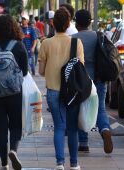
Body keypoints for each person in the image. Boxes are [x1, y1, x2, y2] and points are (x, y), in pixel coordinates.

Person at [38, 8, 84, 170]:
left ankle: (59, 163)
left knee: (59, 127)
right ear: (68, 23)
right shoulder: (76, 43)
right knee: (72, 128)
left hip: (53, 91)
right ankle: (74, 164)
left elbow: (41, 71)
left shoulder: (46, 43)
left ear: (53, 24)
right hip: (72, 92)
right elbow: (81, 69)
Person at [0, 15, 28, 170]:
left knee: (1, 128)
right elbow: (26, 71)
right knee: (16, 126)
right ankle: (13, 150)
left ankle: (4, 164)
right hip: (15, 92)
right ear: (14, 28)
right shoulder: (19, 45)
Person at [72, 9, 113, 154]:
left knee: (81, 109)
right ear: (90, 22)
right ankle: (105, 129)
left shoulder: (74, 38)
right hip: (99, 79)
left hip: (81, 80)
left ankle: (83, 143)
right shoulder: (99, 36)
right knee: (100, 109)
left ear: (76, 22)